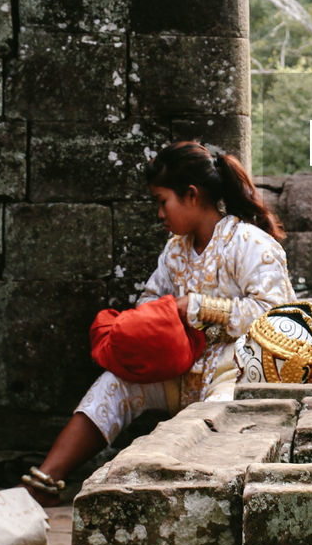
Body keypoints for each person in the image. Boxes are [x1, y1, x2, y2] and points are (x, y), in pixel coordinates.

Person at [22, 141, 295, 504]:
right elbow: (150, 301)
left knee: (218, 412)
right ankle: (44, 482)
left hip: (236, 372)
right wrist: (156, 323)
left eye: (162, 201)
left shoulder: (248, 242)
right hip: (180, 367)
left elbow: (277, 315)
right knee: (115, 383)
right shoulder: (175, 251)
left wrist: (195, 307)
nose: (159, 214)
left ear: (192, 195)